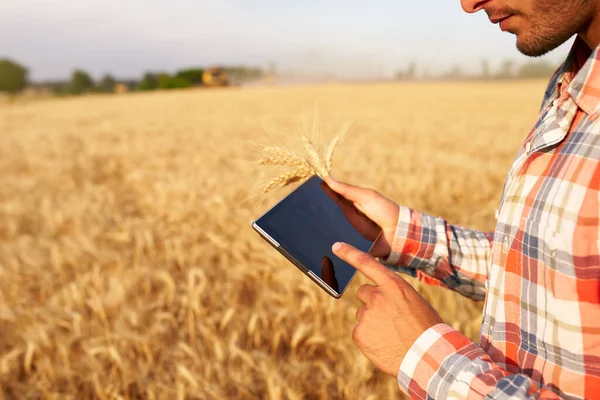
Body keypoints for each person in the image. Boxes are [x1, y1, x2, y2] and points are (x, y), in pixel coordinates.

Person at [324, 0, 600, 398]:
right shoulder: (572, 78)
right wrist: (399, 234)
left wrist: (426, 355)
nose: (469, 4)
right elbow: (552, 272)